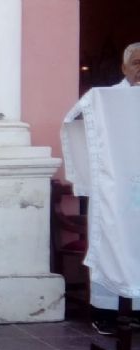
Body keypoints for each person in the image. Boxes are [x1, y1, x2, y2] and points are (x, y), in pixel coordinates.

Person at [89, 41, 140, 335]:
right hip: (117, 189)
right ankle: (106, 311)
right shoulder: (106, 100)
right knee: (113, 244)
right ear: (124, 67)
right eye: (137, 63)